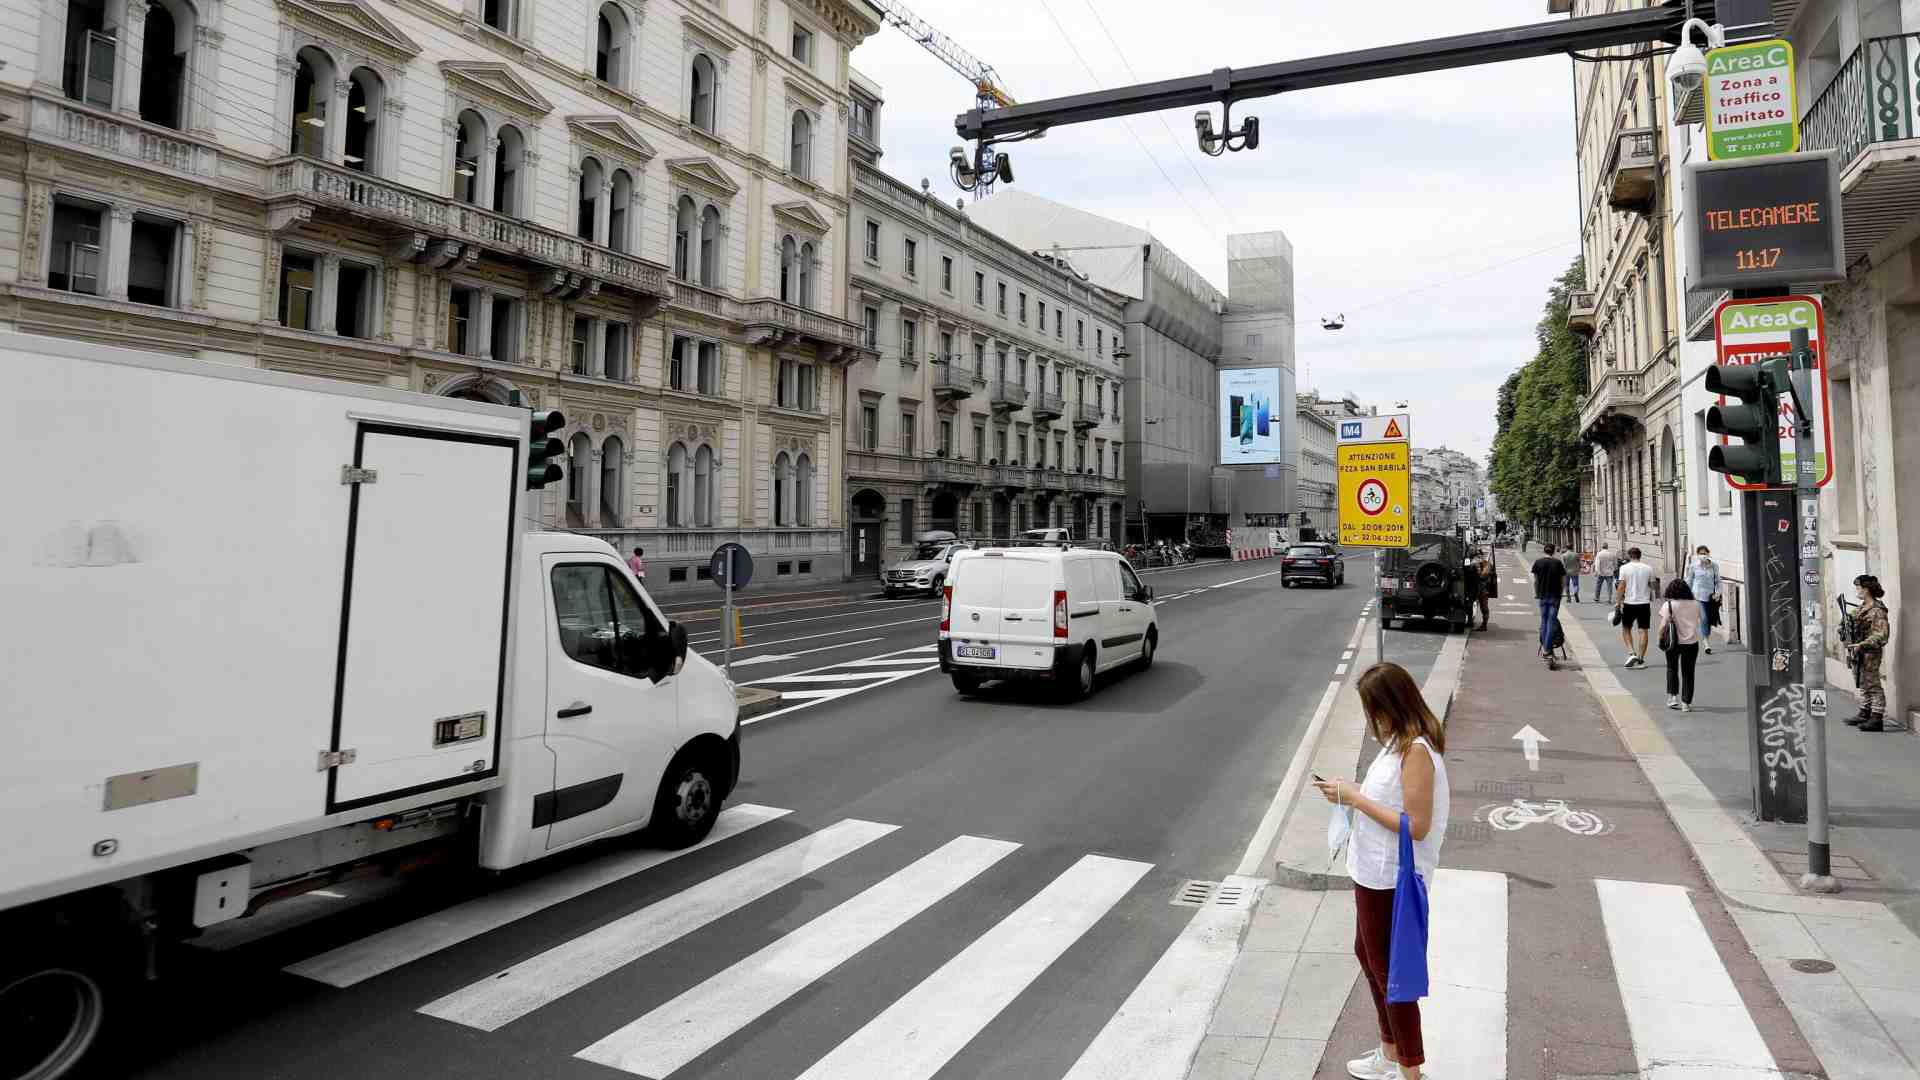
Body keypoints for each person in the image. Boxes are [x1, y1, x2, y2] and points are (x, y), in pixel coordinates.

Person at [1314, 663, 1450, 1080]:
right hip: (1372, 871)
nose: (1371, 719)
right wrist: (1348, 794)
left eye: (1373, 709)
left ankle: (1410, 1069)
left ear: (1391, 705)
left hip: (1391, 879)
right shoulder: (1398, 742)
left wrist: (1354, 798)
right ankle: (1391, 1053)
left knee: (1393, 974)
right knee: (1371, 959)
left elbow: (1417, 824)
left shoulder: (1416, 752)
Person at [1846, 575, 1892, 732]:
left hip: (1870, 652)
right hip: (1859, 651)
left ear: (1866, 589)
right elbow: (1851, 621)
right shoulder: (1862, 607)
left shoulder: (1877, 610)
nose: (1856, 591)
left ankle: (1877, 717)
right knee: (1863, 682)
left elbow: (1882, 634)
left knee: (1872, 684)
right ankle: (1865, 712)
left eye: (1858, 588)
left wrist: (1863, 644)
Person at [1656, 579, 1702, 711]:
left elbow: (1663, 625)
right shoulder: (1695, 604)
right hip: (1692, 642)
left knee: (1672, 668)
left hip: (1673, 642)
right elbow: (1699, 619)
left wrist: (1660, 639)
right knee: (1688, 672)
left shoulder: (1669, 605)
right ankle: (1686, 703)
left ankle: (1672, 697)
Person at [1615, 547, 1654, 668]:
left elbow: (1621, 586)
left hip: (1629, 603)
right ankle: (1641, 659)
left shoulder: (1624, 568)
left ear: (1629, 556)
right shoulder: (1648, 568)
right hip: (1644, 603)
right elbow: (1652, 585)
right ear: (1640, 555)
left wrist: (1618, 602)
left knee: (1626, 629)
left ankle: (1632, 653)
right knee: (1643, 630)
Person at [1532, 543, 1567, 664]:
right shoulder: (1558, 563)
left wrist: (1537, 593)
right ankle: (1547, 650)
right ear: (1553, 552)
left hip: (1542, 596)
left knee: (1544, 622)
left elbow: (1536, 581)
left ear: (1544, 551)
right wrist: (1561, 593)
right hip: (1555, 596)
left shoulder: (1538, 562)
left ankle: (1546, 648)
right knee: (1551, 622)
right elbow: (1563, 581)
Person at [1687, 546, 1720, 655]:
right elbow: (1689, 580)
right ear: (1697, 555)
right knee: (1704, 618)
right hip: (1697, 596)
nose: (1703, 555)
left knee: (1709, 620)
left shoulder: (1714, 566)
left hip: (1710, 597)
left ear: (1708, 554)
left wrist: (1717, 593)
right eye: (1701, 553)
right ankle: (1706, 642)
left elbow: (1718, 581)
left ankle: (1706, 637)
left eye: (1705, 553)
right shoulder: (1693, 566)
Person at [1472, 549, 1495, 631]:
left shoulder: (1487, 565)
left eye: (1479, 555)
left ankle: (1484, 624)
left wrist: (1478, 567)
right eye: (1477, 555)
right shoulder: (1474, 562)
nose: (1478, 557)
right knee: (1470, 605)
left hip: (1483, 589)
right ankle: (1470, 621)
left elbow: (1483, 575)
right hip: (1473, 589)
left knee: (1484, 607)